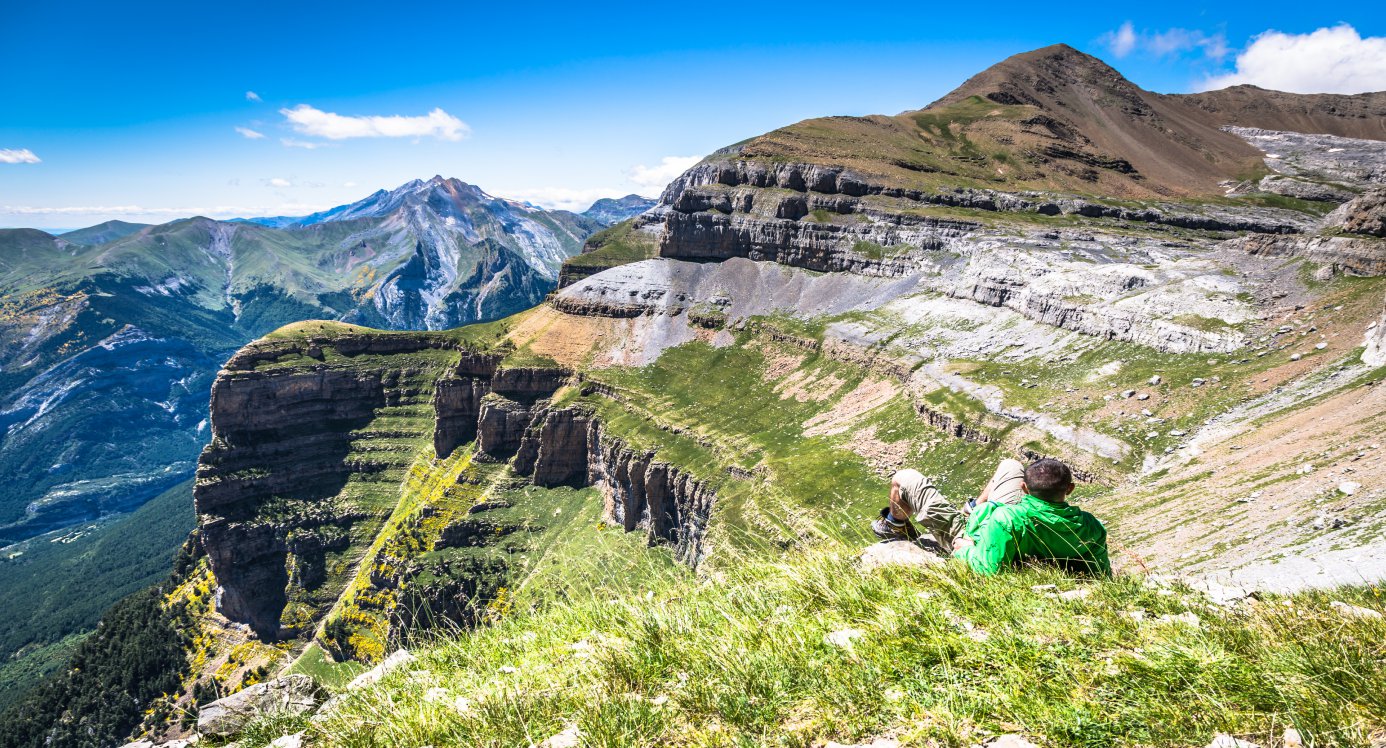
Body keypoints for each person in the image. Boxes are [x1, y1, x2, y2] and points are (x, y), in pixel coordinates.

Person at [872, 457, 1110, 577]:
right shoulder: (1091, 525)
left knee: (905, 477)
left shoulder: (1006, 519)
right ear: (1070, 489)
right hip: (1020, 513)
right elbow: (1100, 572)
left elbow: (986, 568)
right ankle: (973, 506)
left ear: (1024, 488)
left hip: (974, 535)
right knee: (1010, 463)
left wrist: (964, 547)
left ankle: (895, 525)